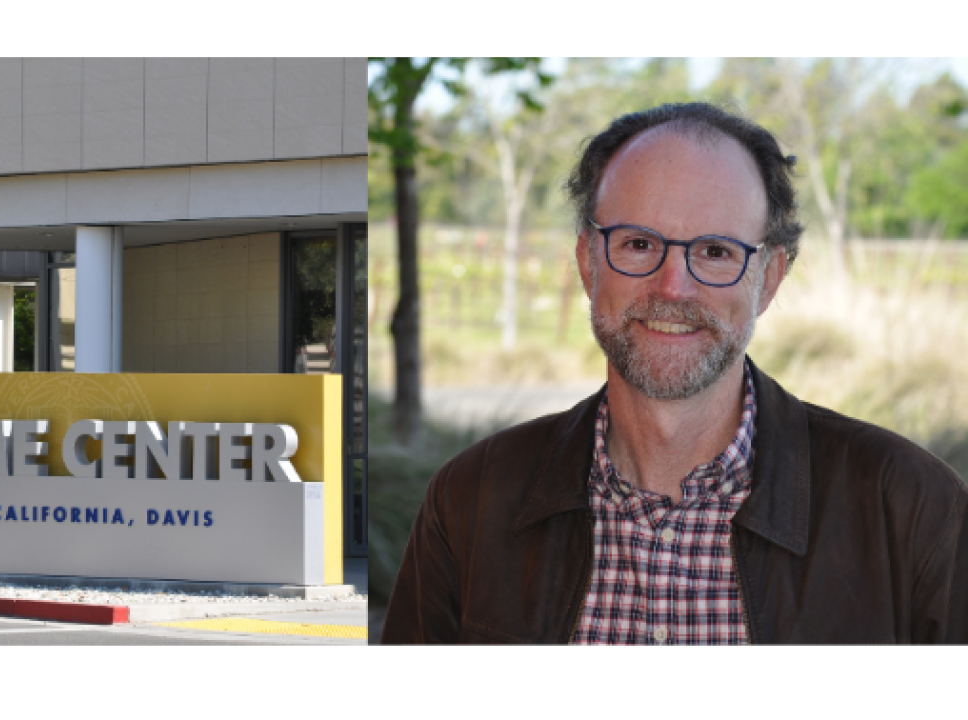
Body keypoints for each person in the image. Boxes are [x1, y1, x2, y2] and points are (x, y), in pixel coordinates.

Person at [380, 102, 968, 644]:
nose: (672, 287)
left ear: (768, 278)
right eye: (638, 243)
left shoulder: (915, 512)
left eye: (714, 251)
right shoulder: (468, 503)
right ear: (588, 262)